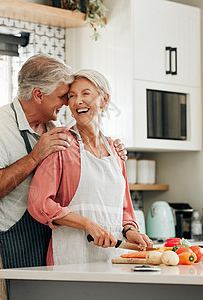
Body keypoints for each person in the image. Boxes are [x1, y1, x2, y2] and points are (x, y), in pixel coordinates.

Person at [0, 55, 127, 300]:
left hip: (39, 245)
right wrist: (34, 157)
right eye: (65, 96)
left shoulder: (53, 130)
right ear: (39, 95)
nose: (67, 103)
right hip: (0, 248)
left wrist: (114, 151)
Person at [28, 69, 153, 266]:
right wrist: (88, 225)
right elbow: (39, 203)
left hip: (113, 258)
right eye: (72, 96)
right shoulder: (61, 145)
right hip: (71, 258)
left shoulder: (115, 151)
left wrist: (131, 231)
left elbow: (124, 208)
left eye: (85, 94)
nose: (78, 101)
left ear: (104, 100)